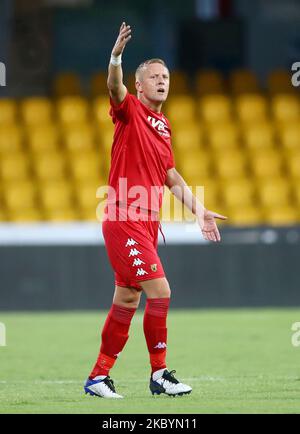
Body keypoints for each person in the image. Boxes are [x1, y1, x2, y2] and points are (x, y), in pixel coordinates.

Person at [84, 22, 226, 399]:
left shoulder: (163, 126)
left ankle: (98, 377)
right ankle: (159, 374)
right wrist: (115, 57)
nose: (162, 81)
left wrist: (200, 210)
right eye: (154, 77)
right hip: (124, 217)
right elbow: (113, 87)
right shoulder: (129, 109)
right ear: (140, 85)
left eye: (165, 76)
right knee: (160, 291)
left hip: (147, 223)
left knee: (128, 299)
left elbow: (170, 175)